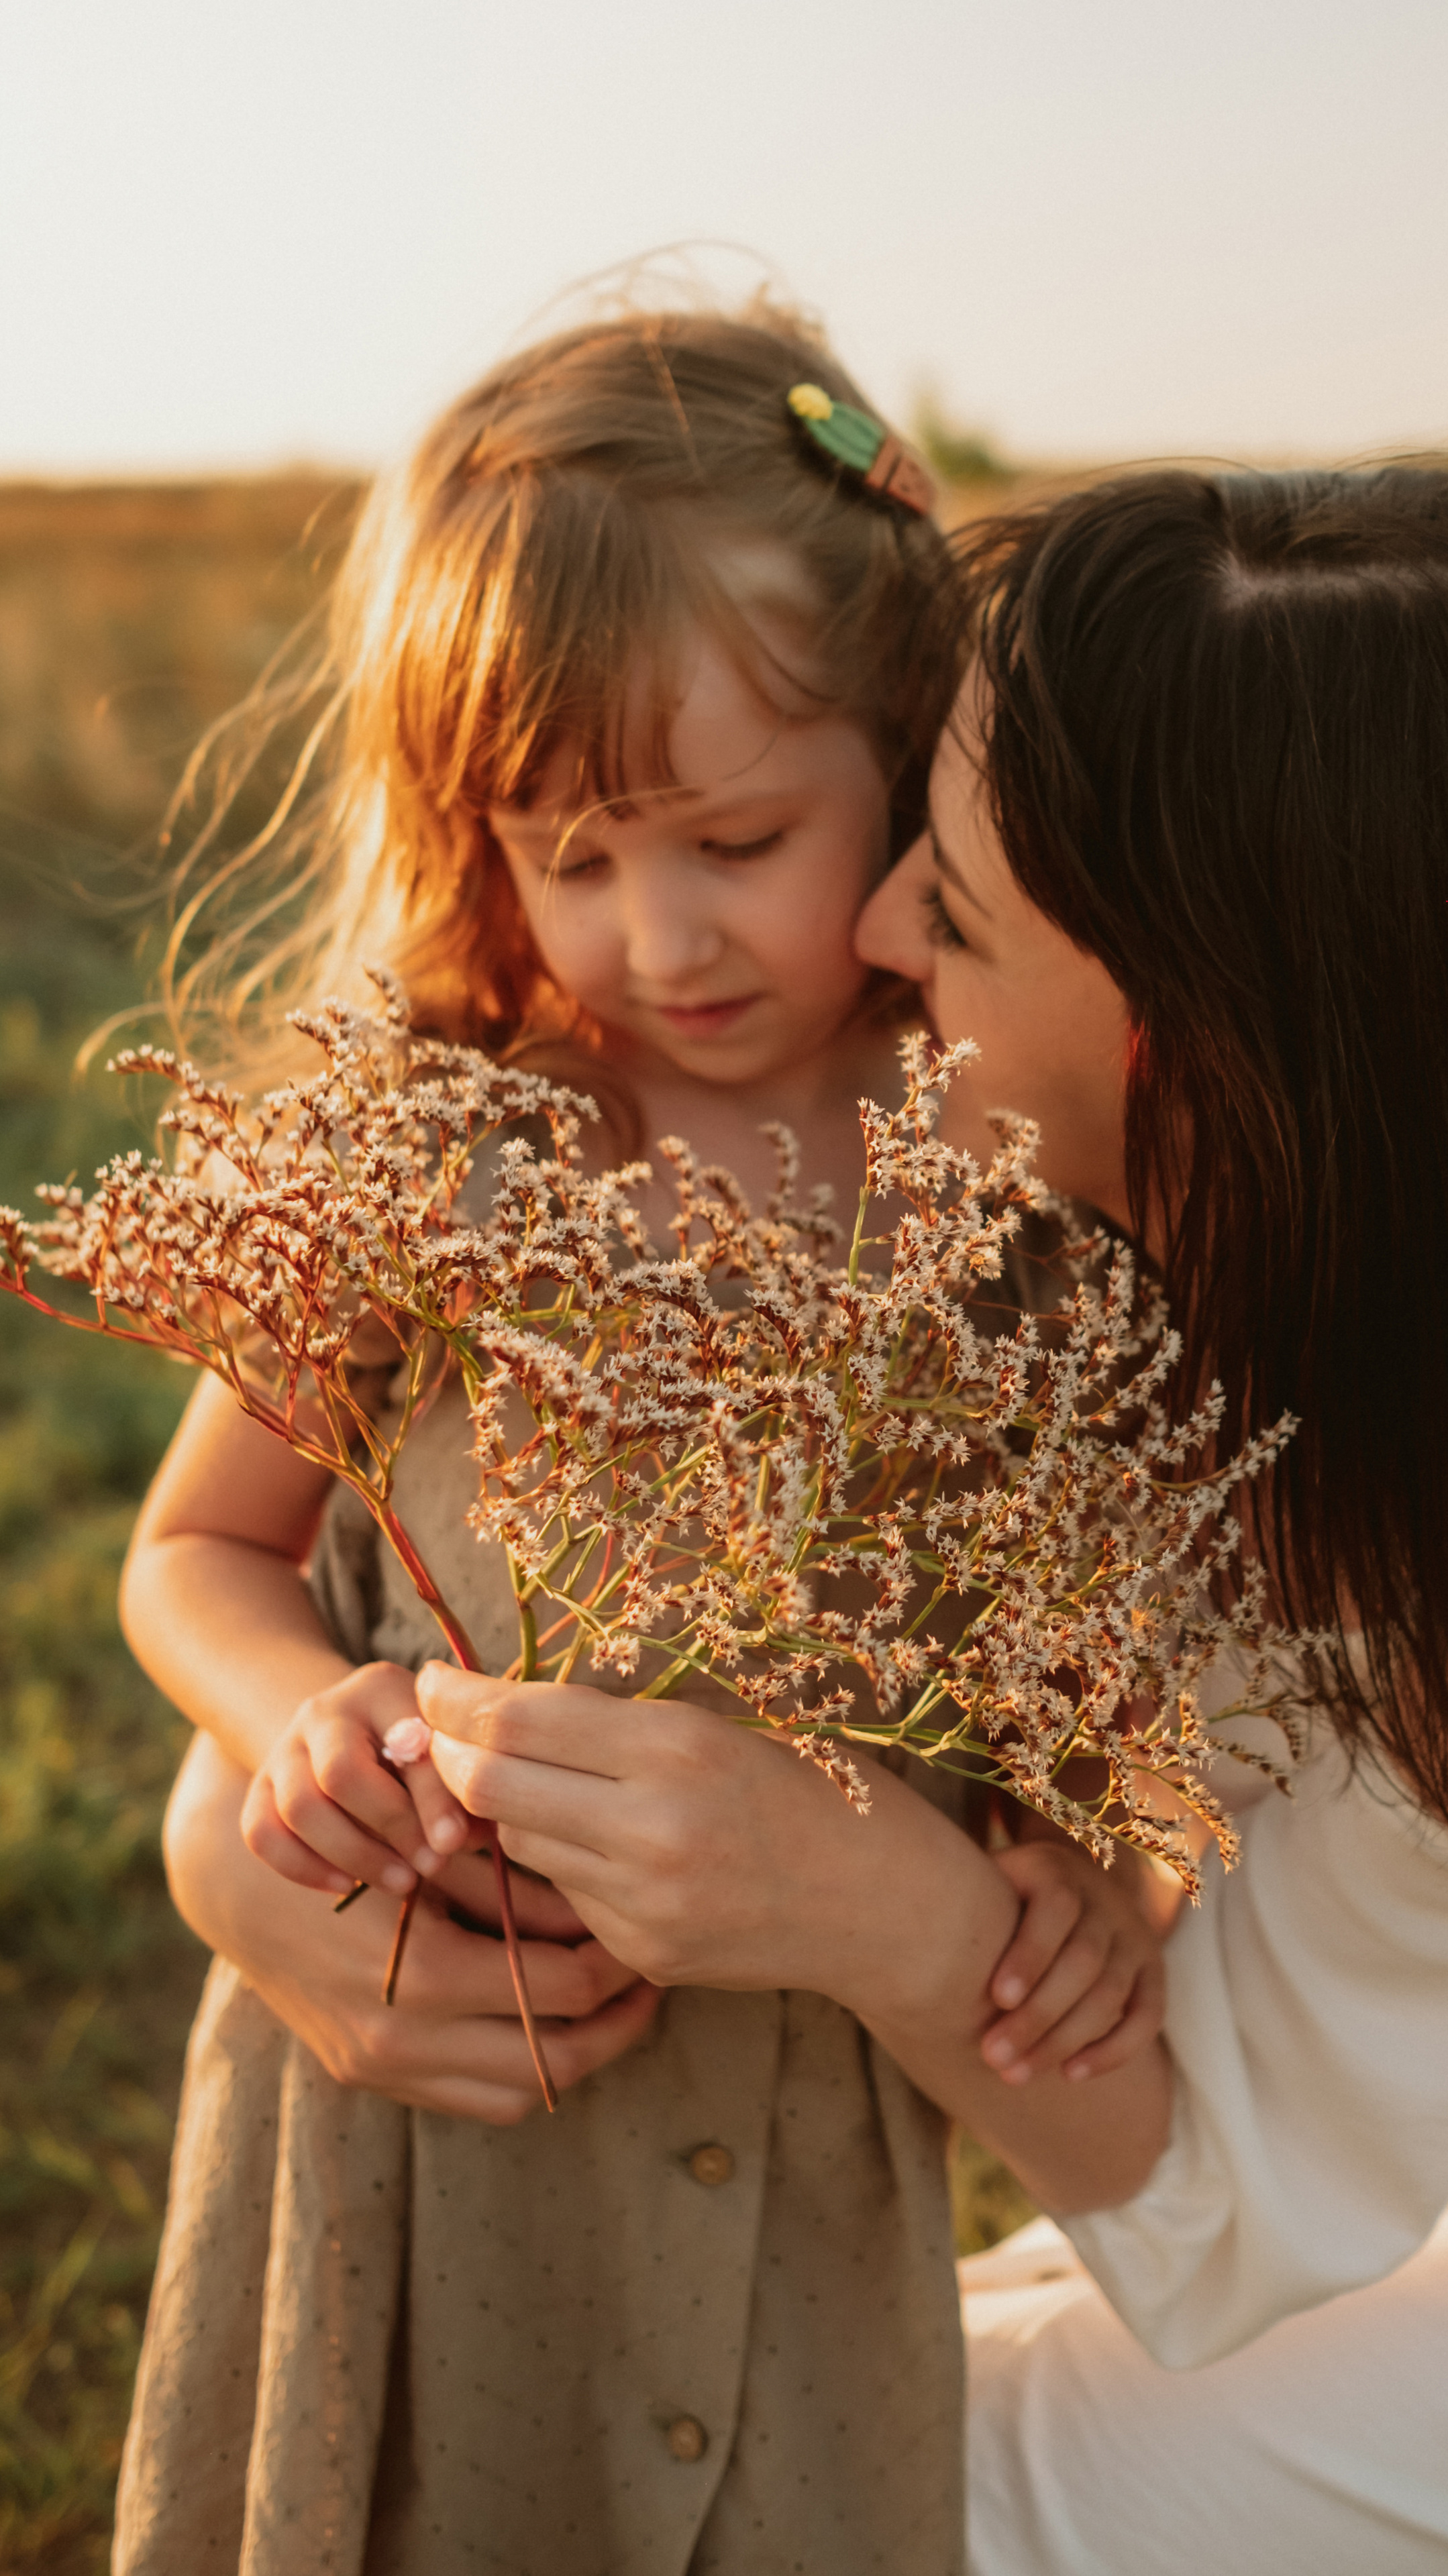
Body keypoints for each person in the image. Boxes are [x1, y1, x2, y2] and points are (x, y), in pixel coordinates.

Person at [416, 462, 1448, 2575]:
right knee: (827, 2385)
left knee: (878, 2505)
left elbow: (1223, 2220)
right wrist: (240, 1834)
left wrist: (837, 1893)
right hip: (1427, 2145)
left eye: (963, 903)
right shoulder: (1264, 1244)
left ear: (1197, 1045)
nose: (874, 928)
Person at [112, 303, 1161, 2576]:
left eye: (736, 837)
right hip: (404, 2120)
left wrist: (1082, 1862)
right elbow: (191, 1554)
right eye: (567, 851)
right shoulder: (434, 1138)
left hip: (791, 2169)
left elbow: (1074, 1642)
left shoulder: (992, 1161)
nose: (656, 934)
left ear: (904, 754)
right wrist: (298, 1725)